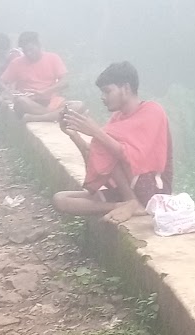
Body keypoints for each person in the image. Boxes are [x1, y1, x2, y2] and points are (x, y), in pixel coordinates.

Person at [53, 61, 172, 219]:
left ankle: (132, 202)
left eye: (107, 91)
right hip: (126, 189)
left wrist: (96, 132)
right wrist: (74, 135)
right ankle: (122, 205)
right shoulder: (117, 118)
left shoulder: (153, 111)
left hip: (153, 191)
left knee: (105, 143)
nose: (103, 97)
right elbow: (95, 161)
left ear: (126, 89)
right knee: (60, 199)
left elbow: (132, 156)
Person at [0, 30, 69, 119]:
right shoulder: (16, 63)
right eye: (25, 51)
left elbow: (65, 81)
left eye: (31, 49)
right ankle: (52, 115)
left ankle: (40, 117)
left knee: (78, 105)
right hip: (29, 101)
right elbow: (1, 81)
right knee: (20, 101)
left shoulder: (53, 58)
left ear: (39, 45)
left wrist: (46, 91)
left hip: (51, 100)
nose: (29, 53)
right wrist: (9, 91)